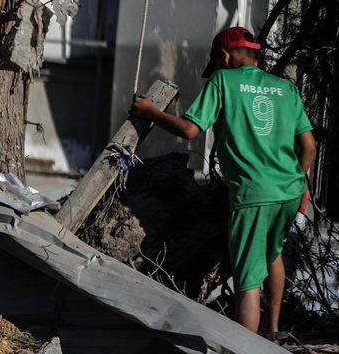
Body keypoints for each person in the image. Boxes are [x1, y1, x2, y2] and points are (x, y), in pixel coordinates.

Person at [131, 26, 316, 337]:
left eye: (216, 62)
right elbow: (309, 147)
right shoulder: (285, 88)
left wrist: (150, 112)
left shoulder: (223, 80)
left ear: (225, 56)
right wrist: (297, 181)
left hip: (253, 194)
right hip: (290, 190)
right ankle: (273, 333)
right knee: (272, 255)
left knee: (248, 282)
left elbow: (190, 130)